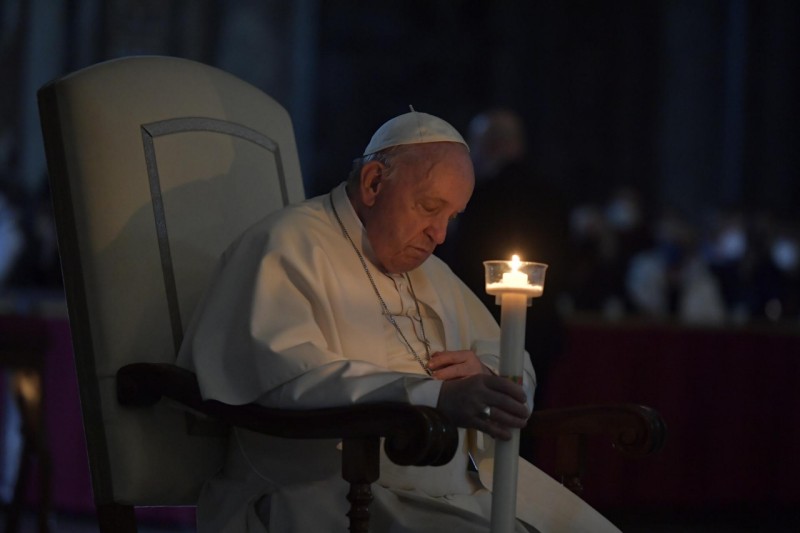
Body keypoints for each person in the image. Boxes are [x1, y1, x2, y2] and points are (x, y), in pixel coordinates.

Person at [178, 110, 619, 532]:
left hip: (451, 490)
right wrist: (435, 396)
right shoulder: (286, 246)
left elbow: (509, 355)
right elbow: (289, 378)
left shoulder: (432, 273)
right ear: (373, 183)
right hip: (326, 492)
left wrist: (486, 376)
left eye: (452, 217)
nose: (440, 235)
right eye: (430, 207)